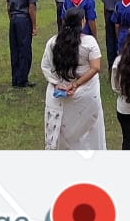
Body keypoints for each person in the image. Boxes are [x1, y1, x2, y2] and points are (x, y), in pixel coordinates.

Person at [40, 9, 106, 150]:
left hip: (60, 93)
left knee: (63, 136)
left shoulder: (53, 42)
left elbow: (46, 66)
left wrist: (57, 84)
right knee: (89, 135)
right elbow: (95, 67)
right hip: (85, 95)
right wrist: (75, 84)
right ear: (82, 22)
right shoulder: (89, 42)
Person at [5, 0, 37, 88]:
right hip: (24, 20)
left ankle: (15, 78)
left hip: (13, 19)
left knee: (15, 49)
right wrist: (34, 26)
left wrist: (12, 19)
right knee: (25, 50)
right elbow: (31, 9)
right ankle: (23, 79)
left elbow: (8, 7)